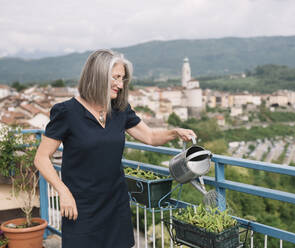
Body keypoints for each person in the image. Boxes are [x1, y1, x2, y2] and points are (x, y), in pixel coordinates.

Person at [34, 49, 197, 248]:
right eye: (116, 77)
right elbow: (41, 158)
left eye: (123, 79)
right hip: (80, 206)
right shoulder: (67, 112)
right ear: (98, 76)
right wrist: (63, 192)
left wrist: (174, 132)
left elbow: (150, 136)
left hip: (115, 203)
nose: (121, 84)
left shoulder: (120, 110)